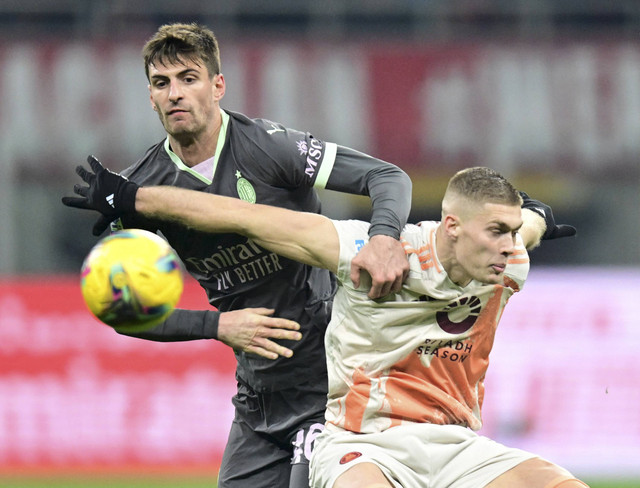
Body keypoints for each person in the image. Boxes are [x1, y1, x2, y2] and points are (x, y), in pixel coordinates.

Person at [64, 162, 584, 488]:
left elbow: (531, 225)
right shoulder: (372, 253)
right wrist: (134, 200)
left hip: (455, 444)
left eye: (512, 232)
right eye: (496, 231)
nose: (509, 244)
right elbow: (244, 218)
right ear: (452, 227)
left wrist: (531, 219)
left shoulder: (509, 260)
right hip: (365, 444)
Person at [63, 22, 413, 488]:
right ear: (150, 96)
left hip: (331, 382)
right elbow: (120, 310)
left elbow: (388, 177)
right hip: (258, 399)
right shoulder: (140, 190)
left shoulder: (269, 147)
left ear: (218, 85)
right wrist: (217, 326)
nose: (175, 94)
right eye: (161, 83)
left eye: (189, 78)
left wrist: (384, 236)